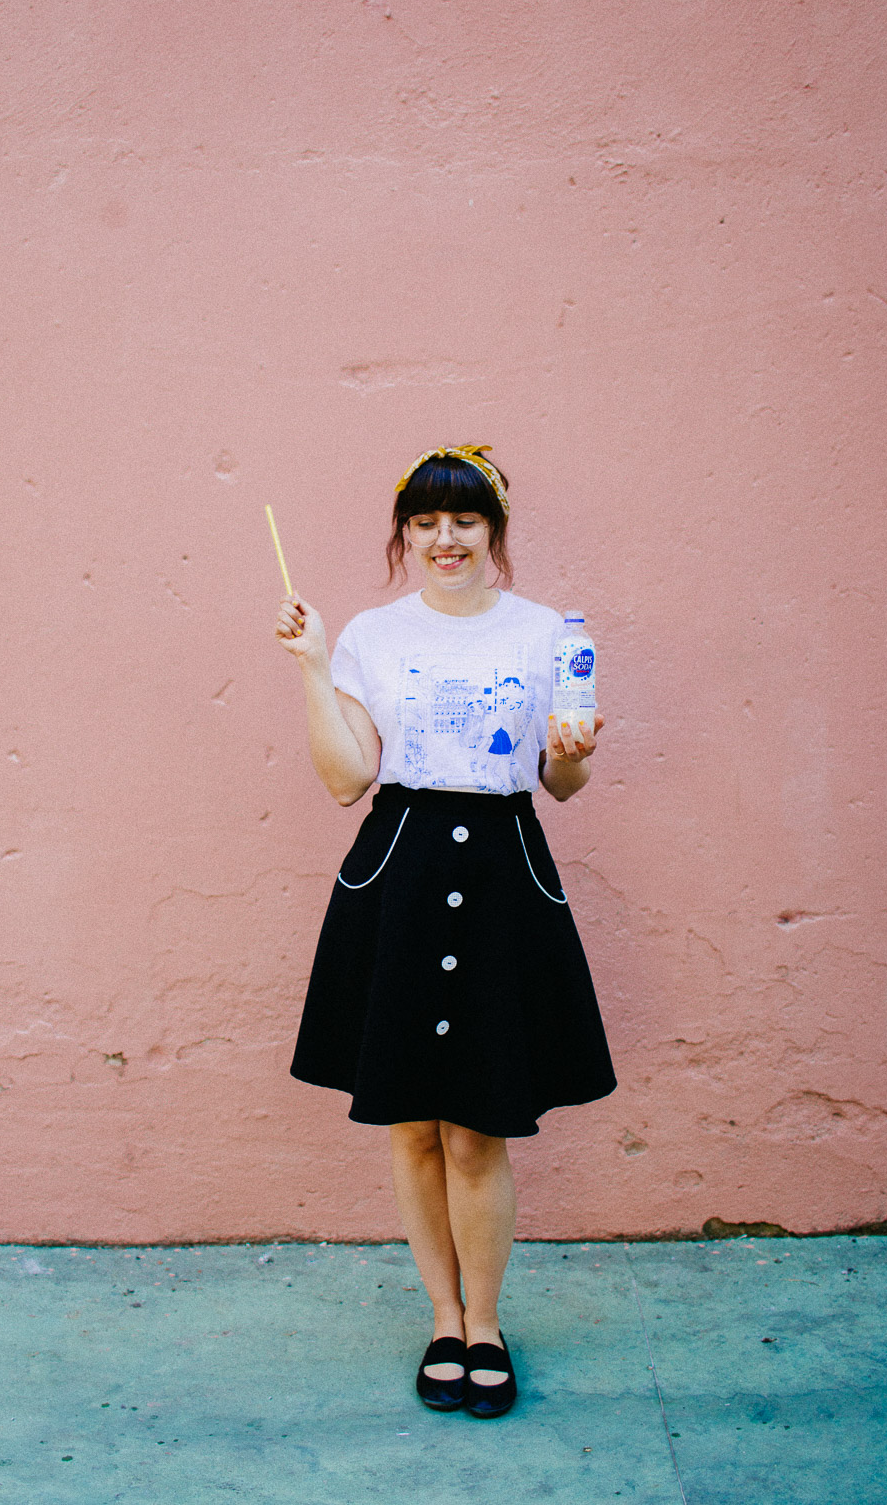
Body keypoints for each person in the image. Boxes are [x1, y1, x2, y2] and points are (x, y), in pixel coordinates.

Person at [273, 445, 616, 1419]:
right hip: (401, 869)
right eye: (424, 522)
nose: (444, 539)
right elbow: (346, 777)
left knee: (476, 1128)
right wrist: (310, 668)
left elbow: (561, 781)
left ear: (493, 532)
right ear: (404, 535)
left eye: (463, 520)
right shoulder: (372, 638)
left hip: (504, 870)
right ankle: (440, 1316)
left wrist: (576, 751)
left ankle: (486, 1321)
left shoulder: (545, 634)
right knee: (413, 1123)